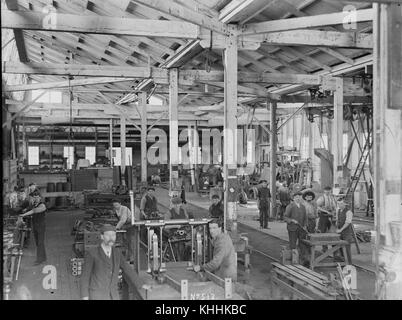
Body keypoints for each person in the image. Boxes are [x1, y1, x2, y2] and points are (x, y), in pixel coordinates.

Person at [80, 224, 140, 300]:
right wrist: (85, 296)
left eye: (113, 235)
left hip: (113, 295)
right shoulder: (92, 253)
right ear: (102, 236)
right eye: (108, 235)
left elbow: (127, 269)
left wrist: (140, 284)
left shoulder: (117, 253)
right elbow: (85, 276)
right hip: (97, 295)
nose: (111, 238)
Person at [19, 190, 47, 265]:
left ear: (40, 198)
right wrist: (22, 211)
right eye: (34, 197)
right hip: (35, 226)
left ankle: (39, 260)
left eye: (37, 197)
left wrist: (23, 215)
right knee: (38, 242)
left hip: (41, 226)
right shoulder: (34, 204)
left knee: (40, 243)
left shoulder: (42, 205)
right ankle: (43, 257)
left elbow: (34, 211)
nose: (36, 199)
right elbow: (29, 209)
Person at [284, 192, 308, 264]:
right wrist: (291, 220)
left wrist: (305, 226)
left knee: (302, 244)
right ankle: (293, 260)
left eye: (300, 197)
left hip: (301, 229)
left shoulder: (303, 207)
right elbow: (285, 217)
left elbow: (305, 218)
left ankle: (302, 260)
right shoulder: (290, 206)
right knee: (293, 244)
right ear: (293, 198)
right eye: (296, 197)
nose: (298, 198)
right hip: (292, 228)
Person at [112, 199, 136, 264]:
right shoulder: (116, 210)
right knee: (124, 242)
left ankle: (132, 258)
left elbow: (123, 220)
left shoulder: (124, 208)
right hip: (124, 226)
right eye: (114, 205)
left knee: (130, 241)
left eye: (117, 205)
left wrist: (116, 227)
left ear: (120, 203)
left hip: (130, 225)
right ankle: (126, 258)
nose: (116, 206)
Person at [335, 197, 354, 263]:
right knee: (340, 247)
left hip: (346, 233)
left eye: (341, 203)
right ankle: (343, 261)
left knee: (346, 248)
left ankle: (349, 263)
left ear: (345, 204)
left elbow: (347, 222)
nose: (339, 205)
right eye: (338, 203)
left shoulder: (349, 212)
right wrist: (337, 227)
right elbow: (337, 220)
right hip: (340, 232)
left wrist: (341, 229)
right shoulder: (338, 210)